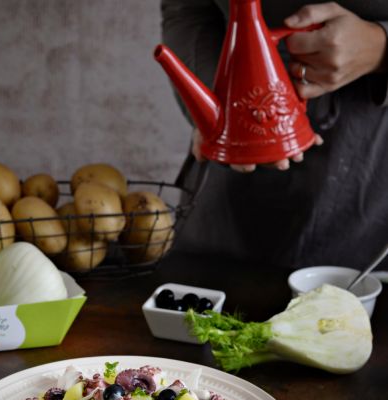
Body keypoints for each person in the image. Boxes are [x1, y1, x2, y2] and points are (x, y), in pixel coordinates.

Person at [161, 1, 388, 269]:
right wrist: (223, 100)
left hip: (372, 183)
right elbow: (188, 9)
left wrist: (380, 47)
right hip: (227, 205)